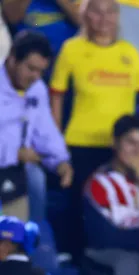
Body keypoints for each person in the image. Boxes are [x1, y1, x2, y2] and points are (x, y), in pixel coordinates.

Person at [48, 0, 139, 262]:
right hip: (82, 141)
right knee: (81, 207)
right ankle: (78, 258)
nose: (103, 18)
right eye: (96, 10)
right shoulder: (71, 50)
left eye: (110, 11)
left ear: (117, 16)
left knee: (125, 202)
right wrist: (55, 138)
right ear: (86, 15)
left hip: (123, 145)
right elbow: (56, 94)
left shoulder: (128, 52)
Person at [0, 31, 72, 222]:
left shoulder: (36, 88)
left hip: (14, 172)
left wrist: (60, 161)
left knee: (35, 178)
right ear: (13, 59)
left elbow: (45, 129)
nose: (35, 76)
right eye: (31, 68)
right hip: (8, 161)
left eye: (41, 71)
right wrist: (14, 153)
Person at [83, 115, 139, 275]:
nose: (137, 151)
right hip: (112, 251)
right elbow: (104, 236)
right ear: (115, 143)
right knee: (129, 262)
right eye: (131, 142)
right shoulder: (99, 183)